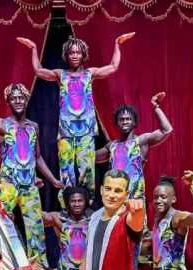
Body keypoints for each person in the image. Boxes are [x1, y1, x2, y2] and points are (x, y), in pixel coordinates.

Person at [17, 34, 135, 207]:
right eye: (71, 52)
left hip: (86, 130)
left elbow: (113, 66)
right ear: (66, 55)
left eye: (78, 52)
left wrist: (117, 44)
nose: (74, 55)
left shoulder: (89, 73)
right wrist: (34, 48)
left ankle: (87, 203)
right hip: (66, 131)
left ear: (83, 55)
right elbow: (38, 71)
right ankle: (67, 204)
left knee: (87, 167)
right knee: (66, 168)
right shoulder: (61, 75)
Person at [0, 85, 60, 268]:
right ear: (8, 102)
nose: (18, 101)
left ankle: (40, 269)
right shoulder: (1, 124)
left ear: (26, 99)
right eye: (13, 98)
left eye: (21, 97)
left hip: (29, 186)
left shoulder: (33, 127)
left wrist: (53, 180)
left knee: (36, 229)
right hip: (9, 184)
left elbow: (37, 157)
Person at [95, 93, 174, 269]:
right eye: (121, 119)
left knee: (134, 246)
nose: (125, 122)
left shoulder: (141, 141)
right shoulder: (112, 146)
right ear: (116, 123)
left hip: (135, 204)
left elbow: (166, 130)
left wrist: (156, 107)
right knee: (114, 245)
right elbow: (88, 158)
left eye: (128, 119)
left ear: (134, 122)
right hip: (114, 204)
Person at [40, 187, 91, 270]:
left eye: (80, 200)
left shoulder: (94, 221)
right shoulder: (59, 220)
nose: (77, 204)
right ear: (68, 202)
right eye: (73, 201)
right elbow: (36, 214)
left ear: (85, 202)